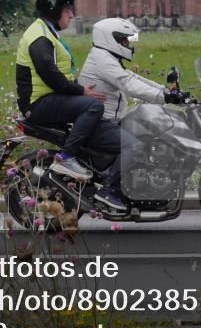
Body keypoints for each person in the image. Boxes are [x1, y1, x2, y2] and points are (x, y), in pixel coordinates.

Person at [78, 17, 186, 210]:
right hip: (99, 122)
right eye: (124, 40)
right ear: (112, 39)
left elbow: (132, 77)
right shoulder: (103, 60)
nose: (128, 44)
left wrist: (165, 91)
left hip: (107, 119)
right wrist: (163, 98)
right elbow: (128, 84)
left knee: (144, 132)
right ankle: (108, 190)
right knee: (134, 146)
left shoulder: (106, 57)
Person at [15, 0, 106, 181]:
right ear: (53, 11)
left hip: (46, 98)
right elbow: (51, 76)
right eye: (67, 10)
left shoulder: (45, 31)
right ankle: (66, 157)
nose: (72, 15)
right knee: (93, 107)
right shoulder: (40, 38)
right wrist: (81, 91)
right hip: (38, 104)